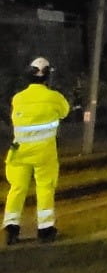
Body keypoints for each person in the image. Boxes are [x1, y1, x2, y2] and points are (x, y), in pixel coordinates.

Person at [3, 57, 70, 245]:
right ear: (48, 76)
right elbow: (65, 112)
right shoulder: (54, 97)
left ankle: (11, 228)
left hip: (19, 152)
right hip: (44, 153)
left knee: (17, 189)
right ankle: (45, 229)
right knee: (45, 188)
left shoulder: (18, 98)